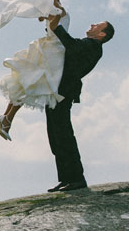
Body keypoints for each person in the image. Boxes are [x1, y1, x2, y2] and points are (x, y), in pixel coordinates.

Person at [0, 0, 68, 140]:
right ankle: (6, 119)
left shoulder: (52, 2)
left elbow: (42, 19)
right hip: (53, 49)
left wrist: (52, 12)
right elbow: (52, 25)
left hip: (52, 47)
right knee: (31, 82)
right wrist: (56, 14)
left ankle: (6, 118)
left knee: (27, 81)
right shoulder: (53, 3)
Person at [43, 15, 114, 192]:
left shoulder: (93, 46)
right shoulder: (90, 45)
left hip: (64, 92)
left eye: (97, 25)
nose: (92, 23)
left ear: (101, 35)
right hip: (58, 91)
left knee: (63, 134)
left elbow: (71, 46)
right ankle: (66, 178)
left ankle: (76, 178)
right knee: (55, 135)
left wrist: (56, 28)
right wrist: (52, 29)